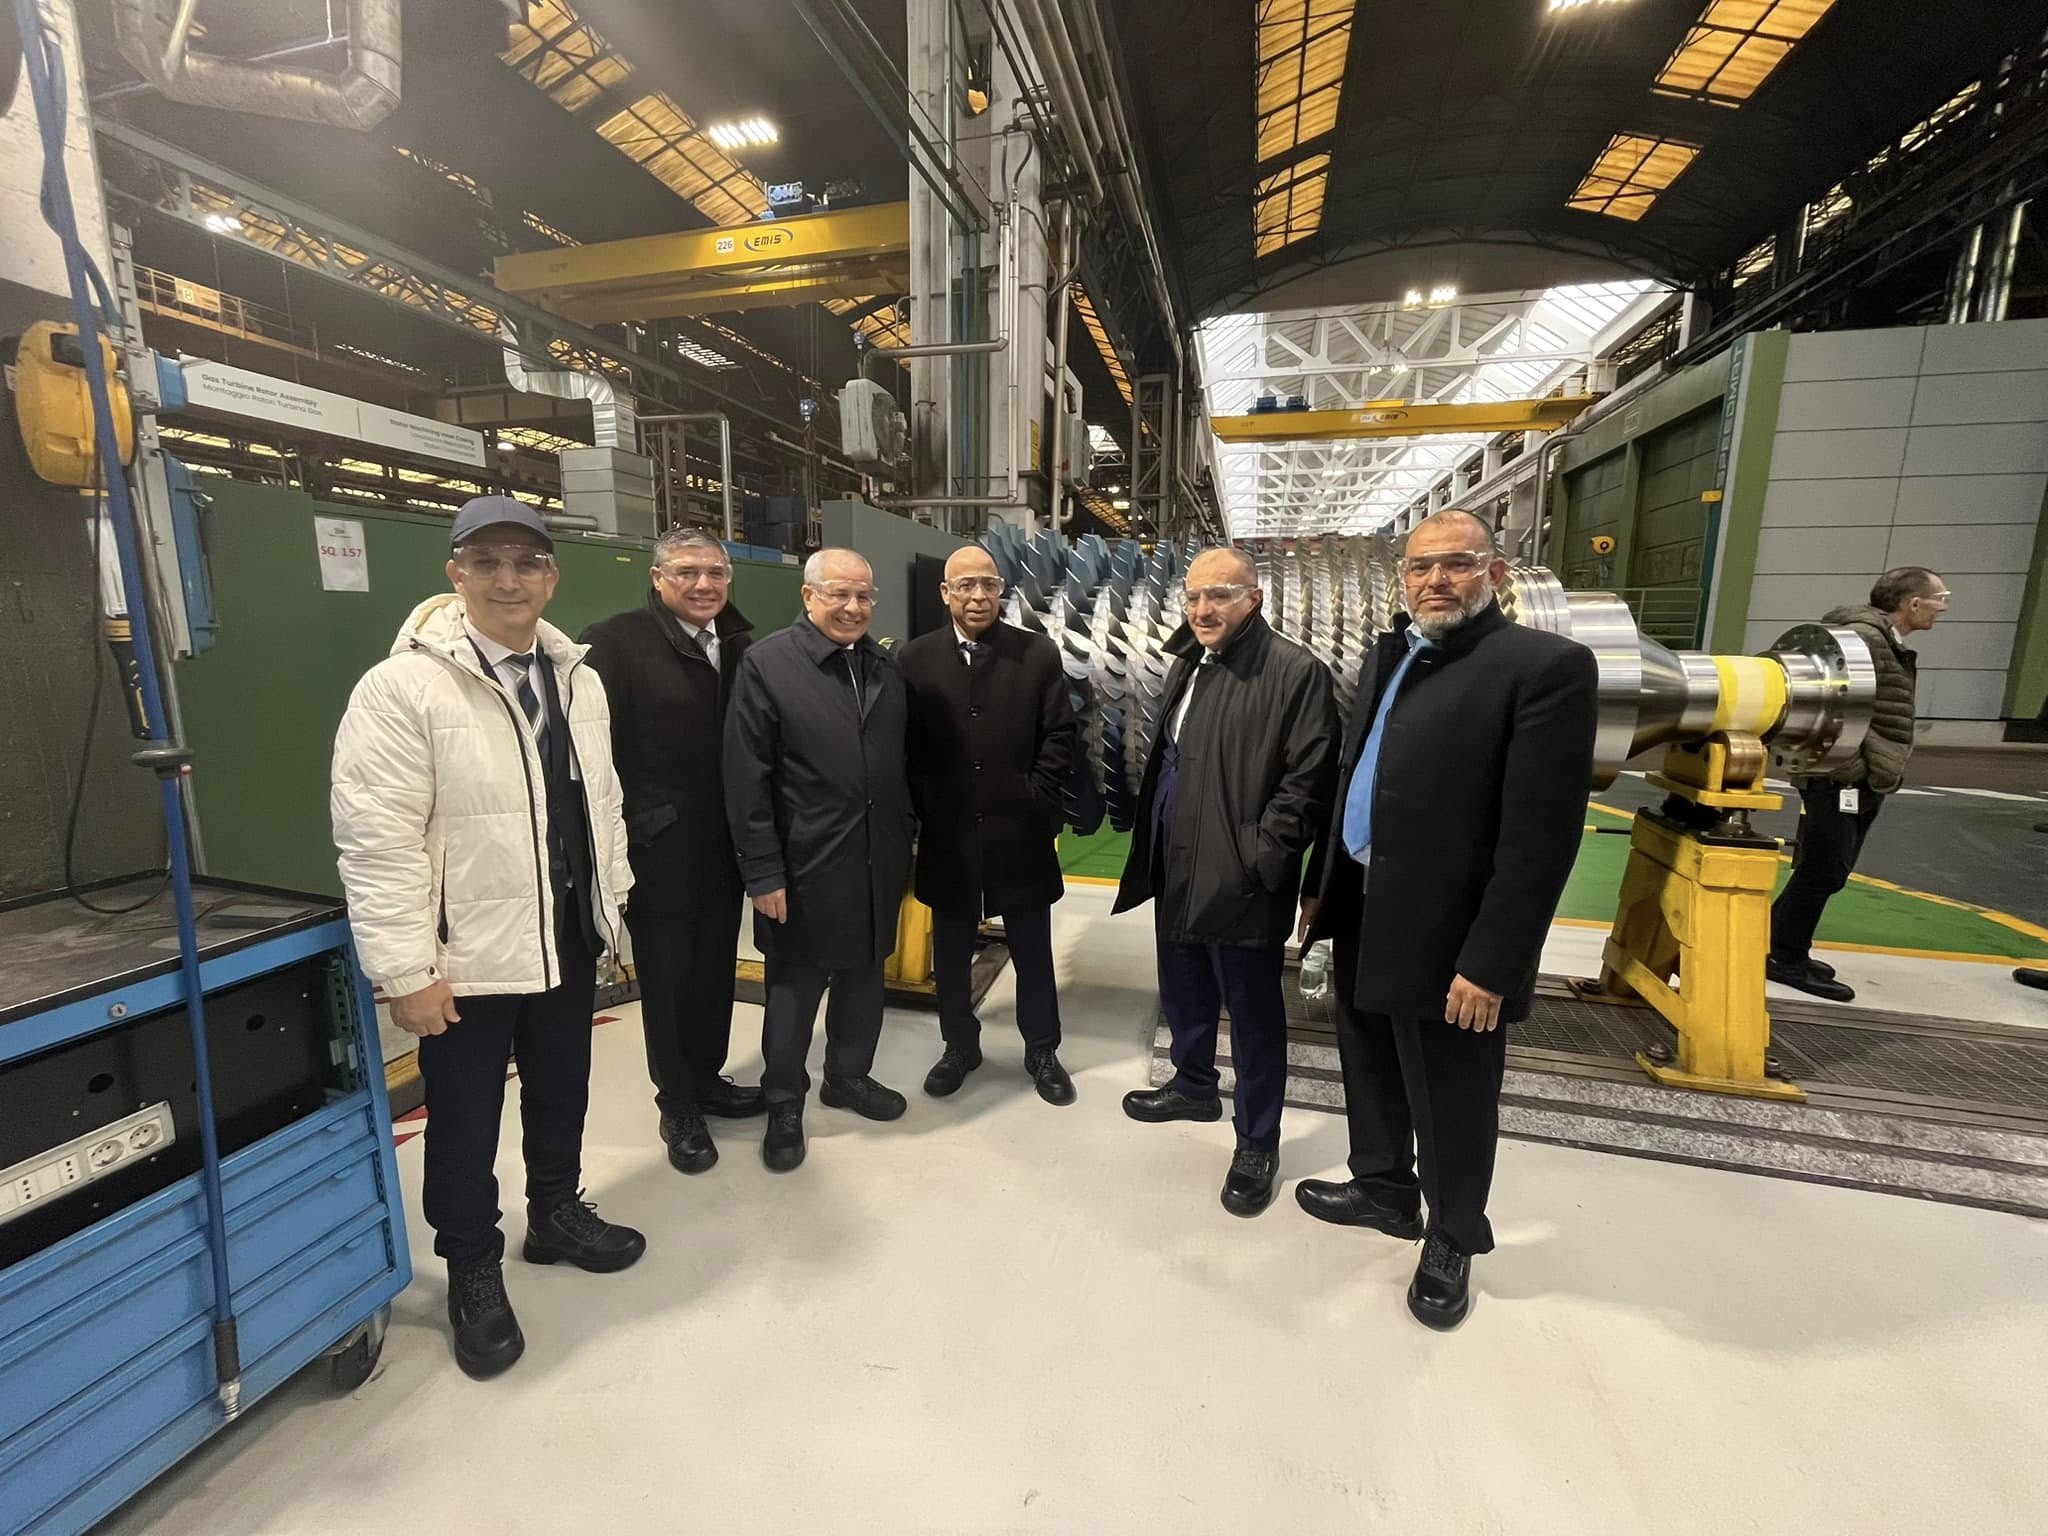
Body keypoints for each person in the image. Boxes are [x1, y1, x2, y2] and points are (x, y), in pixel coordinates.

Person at [331, 495, 643, 1381]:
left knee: (562, 1089)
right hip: (466, 957)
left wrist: (610, 910)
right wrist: (406, 969)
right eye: (488, 562)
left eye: (527, 563)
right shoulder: (403, 689)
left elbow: (602, 806)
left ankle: (555, 1213)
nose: (509, 579)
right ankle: (472, 1264)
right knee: (464, 1121)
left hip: (565, 938)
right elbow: (377, 838)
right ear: (456, 574)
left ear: (552, 577)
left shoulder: (577, 679)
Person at [1297, 509, 1597, 1332]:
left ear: (1493, 573)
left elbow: (1540, 839)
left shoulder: (1543, 668)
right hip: (1364, 900)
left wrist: (1493, 962)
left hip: (1451, 931)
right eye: (1421, 567)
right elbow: (1355, 774)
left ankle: (1453, 1236)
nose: (1436, 580)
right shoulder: (1393, 653)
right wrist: (1323, 888)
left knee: (1453, 1092)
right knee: (1368, 1057)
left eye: (1456, 564)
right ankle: (1383, 1187)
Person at [1113, 545, 1338, 1217]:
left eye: (1219, 595)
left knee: (1253, 1015)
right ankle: (1192, 1084)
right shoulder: (1193, 660)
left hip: (1241, 874)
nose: (1203, 608)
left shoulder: (1294, 672)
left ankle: (1257, 1141)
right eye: (1194, 597)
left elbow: (1308, 780)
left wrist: (1262, 856)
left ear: (1253, 599)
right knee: (1183, 985)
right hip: (1177, 859)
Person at [724, 547, 915, 1172]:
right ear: (808, 596)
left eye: (864, 596)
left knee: (864, 977)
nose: (854, 607)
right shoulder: (768, 665)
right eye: (839, 594)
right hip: (803, 867)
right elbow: (746, 778)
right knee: (793, 991)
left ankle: (847, 1076)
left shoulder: (883, 667)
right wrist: (763, 871)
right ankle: (784, 1102)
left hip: (875, 860)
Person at [582, 528, 760, 1176]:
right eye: (687, 572)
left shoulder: (740, 645)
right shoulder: (614, 644)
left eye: (715, 573)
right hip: (657, 849)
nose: (703, 584)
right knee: (667, 980)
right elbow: (591, 753)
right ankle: (677, 1103)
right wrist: (629, 830)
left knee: (714, 972)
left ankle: (707, 1079)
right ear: (658, 578)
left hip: (725, 847)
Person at [900, 544, 1080, 1106]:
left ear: (1002, 590)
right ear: (945, 593)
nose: (979, 596)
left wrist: (1035, 795)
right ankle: (959, 1046)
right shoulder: (915, 659)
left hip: (1019, 832)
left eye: (989, 585)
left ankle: (1042, 1049)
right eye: (966, 585)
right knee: (952, 954)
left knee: (1033, 952)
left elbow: (1060, 733)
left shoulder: (1036, 653)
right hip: (949, 835)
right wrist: (927, 806)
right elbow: (907, 745)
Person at [1767, 567, 1948, 1003]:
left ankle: (1778, 945)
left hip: (1863, 778)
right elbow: (1829, 707)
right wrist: (1853, 769)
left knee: (1826, 869)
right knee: (1824, 869)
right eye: (1939, 598)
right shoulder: (1865, 641)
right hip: (1842, 779)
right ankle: (1785, 957)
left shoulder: (1883, 641)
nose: (1942, 608)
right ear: (1913, 603)